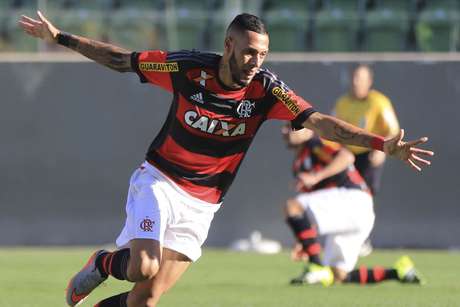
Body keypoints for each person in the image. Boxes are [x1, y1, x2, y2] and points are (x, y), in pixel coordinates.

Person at [19, 11, 433, 307]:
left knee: (144, 301)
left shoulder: (268, 90)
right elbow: (121, 60)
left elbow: (321, 122)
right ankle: (104, 262)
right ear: (229, 45)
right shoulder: (187, 68)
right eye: (250, 52)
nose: (256, 62)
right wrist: (60, 38)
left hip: (204, 204)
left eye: (263, 55)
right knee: (143, 266)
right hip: (160, 182)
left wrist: (382, 145)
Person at [281, 124, 425, 286]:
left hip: (351, 198)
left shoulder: (316, 144)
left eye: (290, 127)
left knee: (292, 205)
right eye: (284, 127)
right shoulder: (299, 163)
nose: (284, 131)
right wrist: (304, 243)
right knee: (339, 276)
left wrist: (316, 176)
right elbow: (307, 216)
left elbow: (346, 156)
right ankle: (399, 272)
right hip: (356, 211)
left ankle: (315, 265)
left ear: (307, 130)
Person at [333, 64, 401, 256]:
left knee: (364, 196)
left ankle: (362, 239)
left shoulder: (379, 102)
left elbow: (393, 130)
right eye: (354, 78)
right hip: (347, 156)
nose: (356, 83)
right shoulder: (343, 102)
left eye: (361, 79)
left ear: (369, 82)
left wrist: (381, 151)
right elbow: (333, 128)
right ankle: (345, 236)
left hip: (369, 155)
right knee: (344, 195)